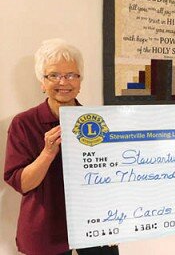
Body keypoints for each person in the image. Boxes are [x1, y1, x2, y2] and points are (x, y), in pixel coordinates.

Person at [4, 39, 119, 255]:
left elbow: (116, 175)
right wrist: (47, 152)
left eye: (71, 75)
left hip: (95, 225)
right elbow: (23, 184)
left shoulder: (99, 122)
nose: (63, 82)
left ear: (80, 80)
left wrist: (119, 223)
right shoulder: (24, 123)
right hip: (45, 231)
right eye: (54, 75)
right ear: (42, 82)